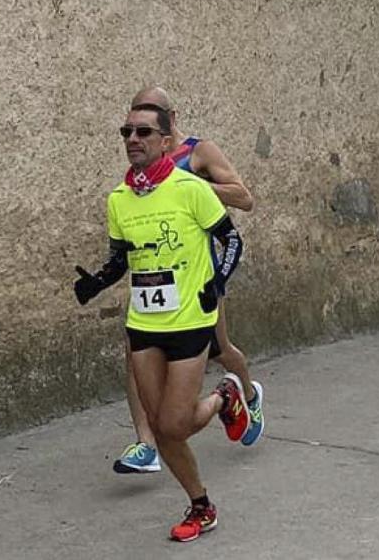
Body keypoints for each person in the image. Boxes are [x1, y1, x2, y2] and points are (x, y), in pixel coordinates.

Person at [74, 103, 248, 542]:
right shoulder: (119, 199)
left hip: (190, 319)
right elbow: (122, 258)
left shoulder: (191, 188)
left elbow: (231, 240)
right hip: (144, 324)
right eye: (127, 132)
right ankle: (201, 506)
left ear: (166, 142)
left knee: (175, 425)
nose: (133, 139)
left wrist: (216, 284)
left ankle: (224, 397)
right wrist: (97, 282)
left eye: (144, 132)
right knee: (159, 426)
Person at [110, 88, 263, 477]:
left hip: (201, 274)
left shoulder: (199, 152)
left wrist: (186, 185)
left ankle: (246, 394)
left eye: (149, 119)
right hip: (155, 281)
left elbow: (244, 198)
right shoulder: (145, 158)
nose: (136, 134)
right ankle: (147, 444)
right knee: (134, 353)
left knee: (220, 349)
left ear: (171, 117)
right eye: (131, 124)